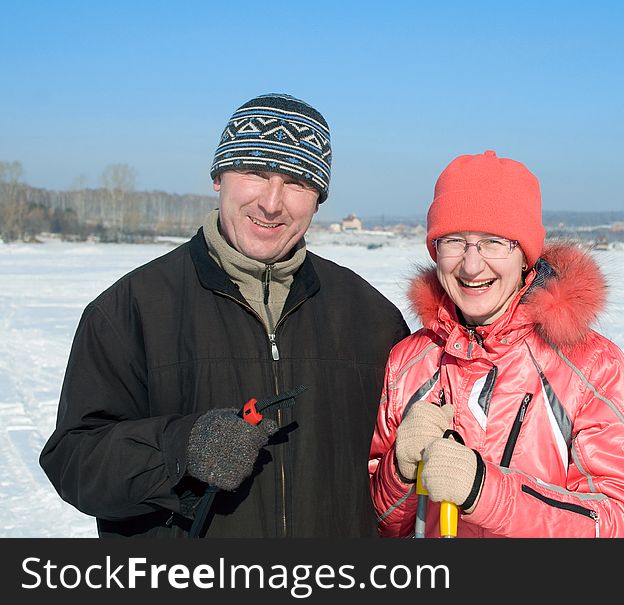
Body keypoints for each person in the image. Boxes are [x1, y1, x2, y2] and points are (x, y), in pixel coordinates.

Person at [40, 94, 410, 538]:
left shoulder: (370, 317)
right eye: (255, 172)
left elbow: (393, 483)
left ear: (318, 199)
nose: (272, 203)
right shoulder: (130, 309)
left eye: (296, 182)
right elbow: (75, 462)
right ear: (219, 177)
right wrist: (181, 448)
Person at [369, 151, 624, 537]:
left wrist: (485, 492)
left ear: (524, 256)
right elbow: (377, 522)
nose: (471, 265)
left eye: (494, 242)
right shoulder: (409, 362)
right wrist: (399, 472)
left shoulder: (591, 365)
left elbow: (620, 526)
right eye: (454, 241)